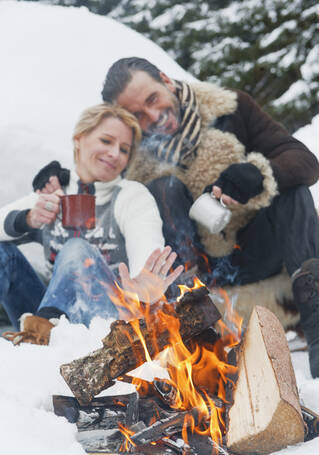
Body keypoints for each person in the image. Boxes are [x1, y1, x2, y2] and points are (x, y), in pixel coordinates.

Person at [32, 57, 319, 379]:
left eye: (153, 99)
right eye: (139, 115)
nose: (153, 117)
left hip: (257, 249)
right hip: (198, 270)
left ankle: (316, 317)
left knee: (295, 193)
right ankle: (193, 323)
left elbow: (304, 161)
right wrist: (61, 176)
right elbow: (102, 178)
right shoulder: (135, 152)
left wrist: (260, 173)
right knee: (160, 186)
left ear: (167, 81)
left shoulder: (231, 109)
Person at [0, 103, 183, 345]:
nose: (115, 153)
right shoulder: (52, 194)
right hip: (45, 321)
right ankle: (41, 333)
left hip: (106, 320)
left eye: (124, 149)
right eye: (106, 141)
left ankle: (42, 334)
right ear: (79, 139)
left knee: (77, 248)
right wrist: (27, 219)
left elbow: (145, 237)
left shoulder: (130, 195)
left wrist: (143, 280)